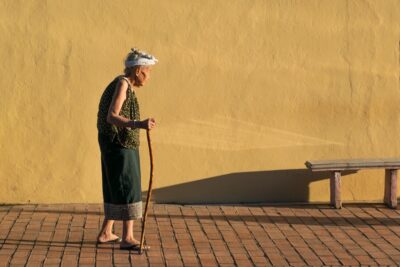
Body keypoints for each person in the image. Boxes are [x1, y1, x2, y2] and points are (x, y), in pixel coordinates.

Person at [96, 48, 157, 250]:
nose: (149, 77)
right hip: (119, 143)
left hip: (117, 142)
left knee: (117, 185)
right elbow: (111, 116)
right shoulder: (123, 84)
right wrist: (139, 124)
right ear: (138, 70)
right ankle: (128, 237)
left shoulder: (124, 83)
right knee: (127, 185)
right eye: (148, 72)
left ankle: (106, 232)